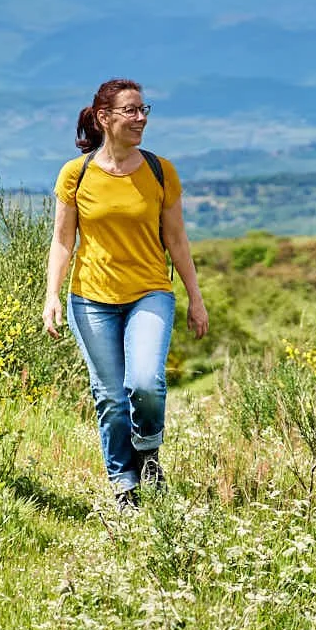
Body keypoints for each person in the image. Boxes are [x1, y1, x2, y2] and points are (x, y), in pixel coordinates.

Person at [43, 78, 210, 508]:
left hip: (149, 292)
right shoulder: (76, 174)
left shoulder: (160, 172)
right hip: (91, 299)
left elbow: (177, 240)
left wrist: (196, 297)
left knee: (144, 384)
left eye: (143, 110)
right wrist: (52, 296)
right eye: (131, 111)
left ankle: (148, 452)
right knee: (112, 397)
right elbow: (63, 242)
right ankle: (125, 486)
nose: (141, 119)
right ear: (104, 118)